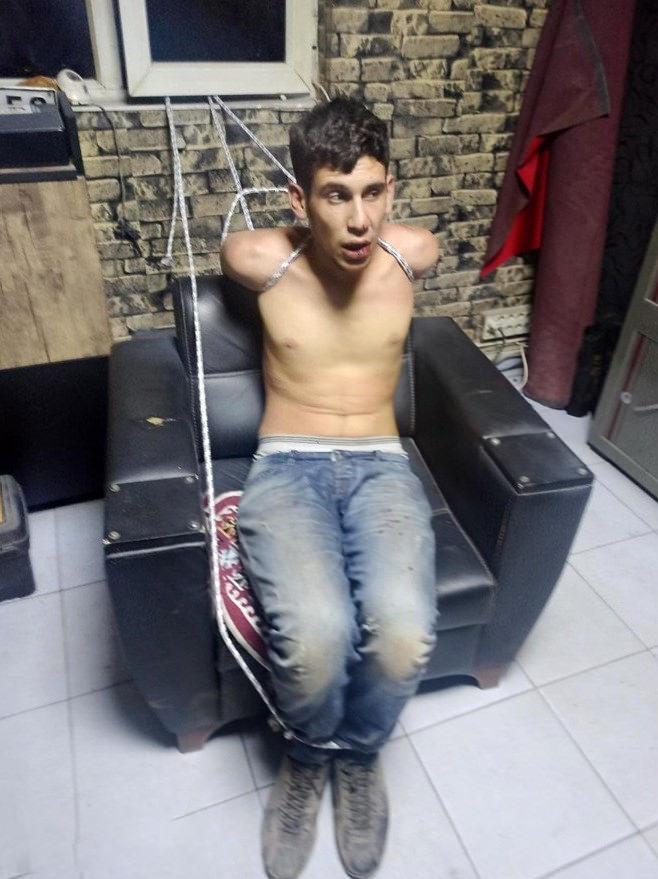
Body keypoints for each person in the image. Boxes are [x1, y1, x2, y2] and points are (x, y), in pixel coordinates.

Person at [221, 97, 440, 879]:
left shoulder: (411, 254)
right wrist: (296, 245)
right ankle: (307, 755)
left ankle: (360, 752)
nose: (359, 220)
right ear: (299, 198)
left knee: (404, 632)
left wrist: (378, 233)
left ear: (391, 191)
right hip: (288, 464)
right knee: (316, 634)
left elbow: (413, 240)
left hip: (381, 463)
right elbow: (238, 248)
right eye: (336, 196)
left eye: (373, 193)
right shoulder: (262, 260)